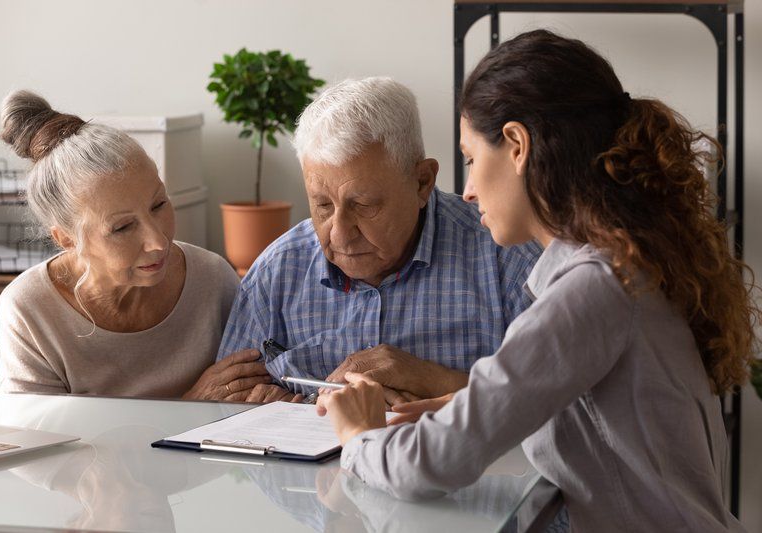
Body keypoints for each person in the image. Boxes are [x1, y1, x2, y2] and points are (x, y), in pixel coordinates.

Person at [316, 30, 755, 532]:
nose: (468, 192)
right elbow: (599, 411)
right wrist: (469, 407)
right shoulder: (620, 267)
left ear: (517, 145)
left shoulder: (592, 289)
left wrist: (357, 435)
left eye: (472, 160)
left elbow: (428, 465)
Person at [202, 77, 539, 404]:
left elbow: (559, 408)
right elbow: (222, 410)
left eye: (363, 205)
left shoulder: (507, 259)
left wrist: (434, 381)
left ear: (422, 182)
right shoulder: (277, 271)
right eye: (322, 205)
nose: (339, 233)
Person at [0, 91, 262, 399]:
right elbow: (41, 438)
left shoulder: (213, 280)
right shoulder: (30, 310)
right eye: (122, 227)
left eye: (159, 204)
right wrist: (191, 404)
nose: (158, 241)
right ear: (66, 238)